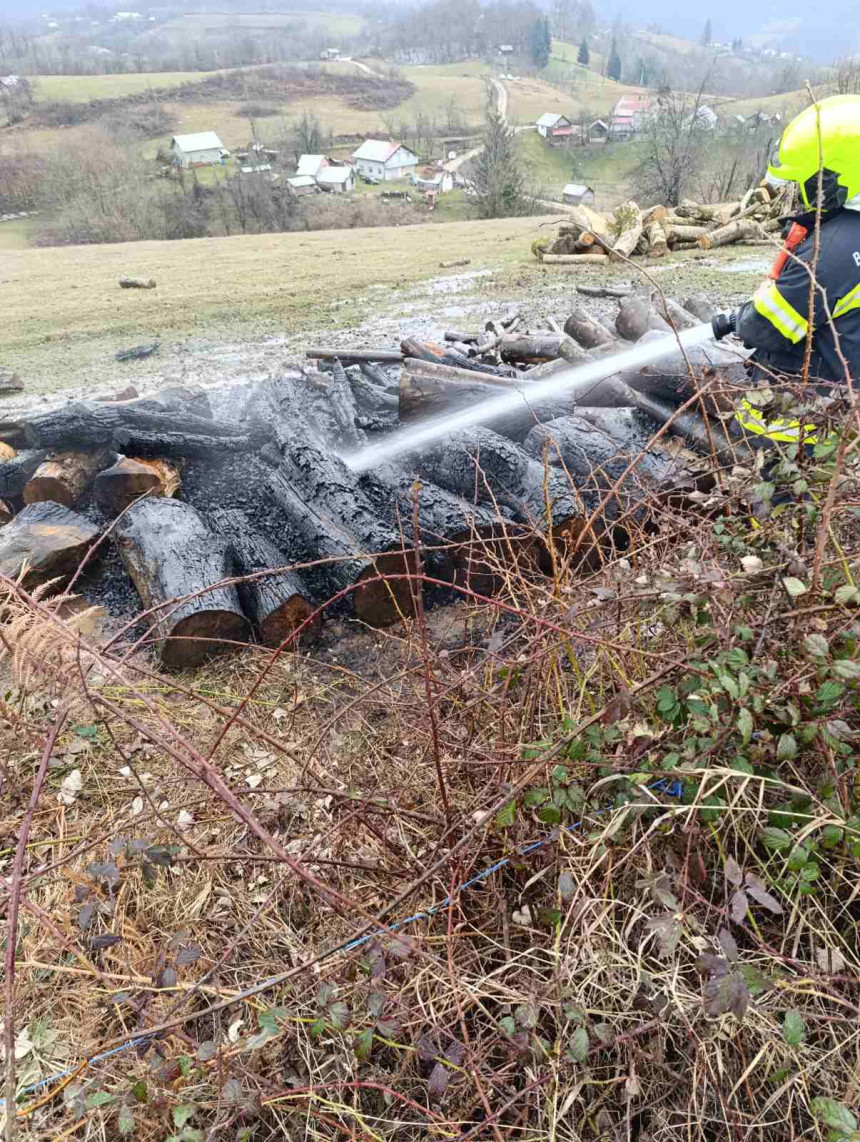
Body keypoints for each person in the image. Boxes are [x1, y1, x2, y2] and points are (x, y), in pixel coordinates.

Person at [712, 94, 860, 444]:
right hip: (843, 414)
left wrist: (742, 318)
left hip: (801, 436)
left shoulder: (830, 251)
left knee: (767, 493)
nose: (801, 196)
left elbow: (765, 326)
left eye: (806, 183)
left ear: (835, 180)